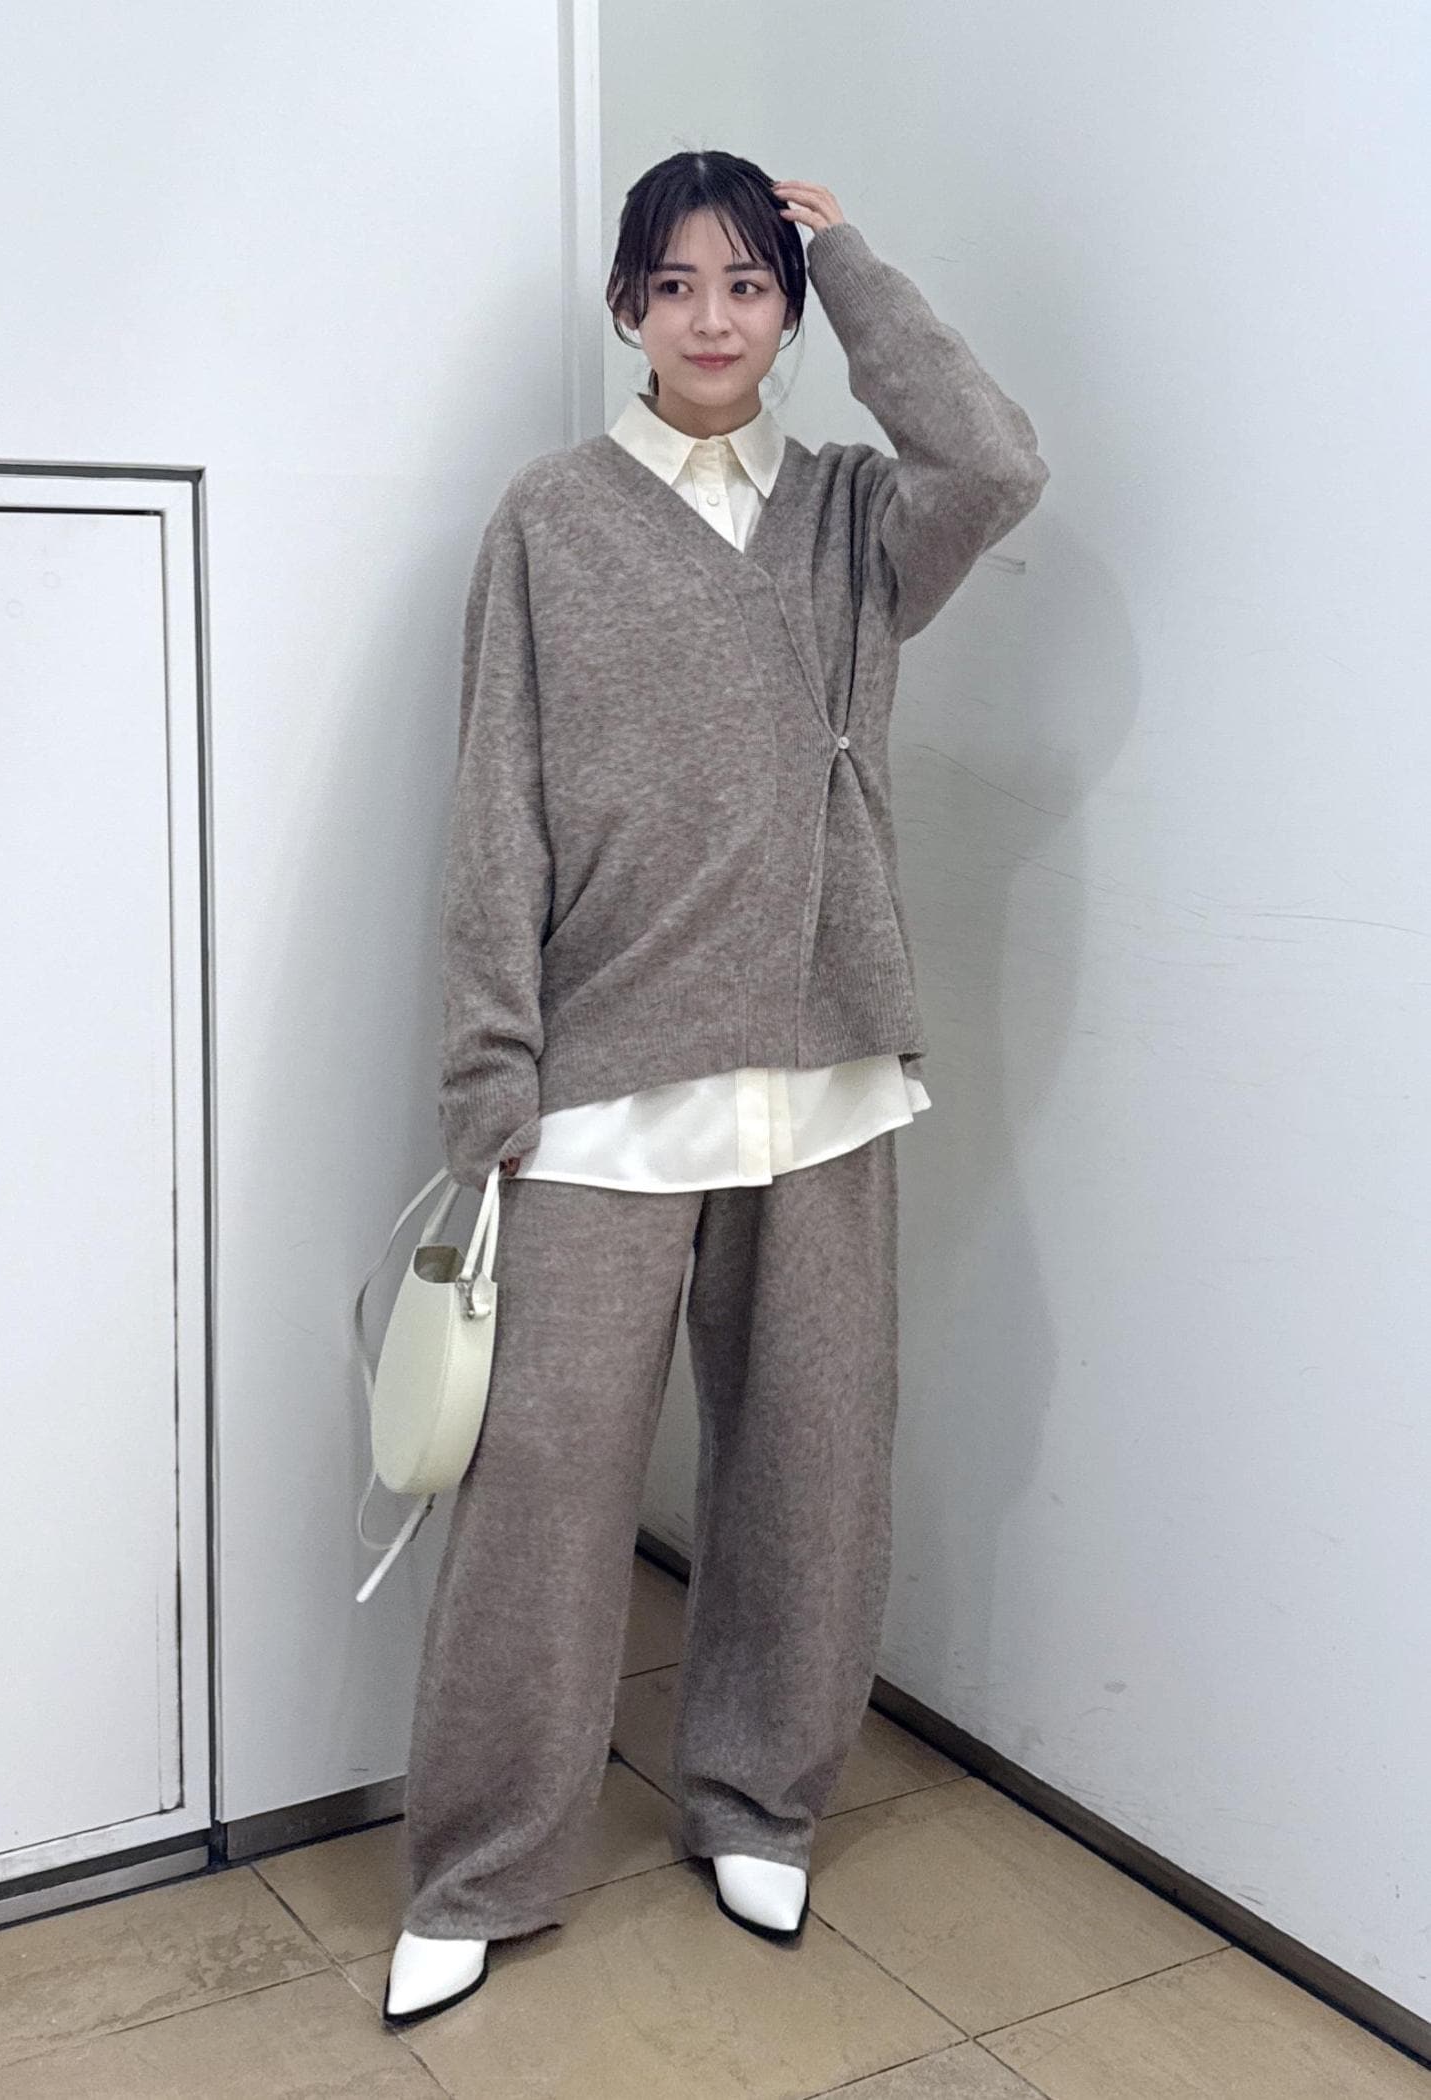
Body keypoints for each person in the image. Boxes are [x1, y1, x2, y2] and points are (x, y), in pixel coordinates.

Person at [382, 149, 1050, 2028]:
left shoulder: (853, 519)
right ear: (627, 307)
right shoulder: (549, 519)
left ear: (786, 309)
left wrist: (857, 267)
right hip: (603, 1088)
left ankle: (759, 1799)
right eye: (675, 284)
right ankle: (484, 1862)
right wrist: (491, 1072)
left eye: (748, 283)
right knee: (542, 1490)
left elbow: (998, 462)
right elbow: (495, 807)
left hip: (826, 1074)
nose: (711, 317)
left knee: (810, 1469)